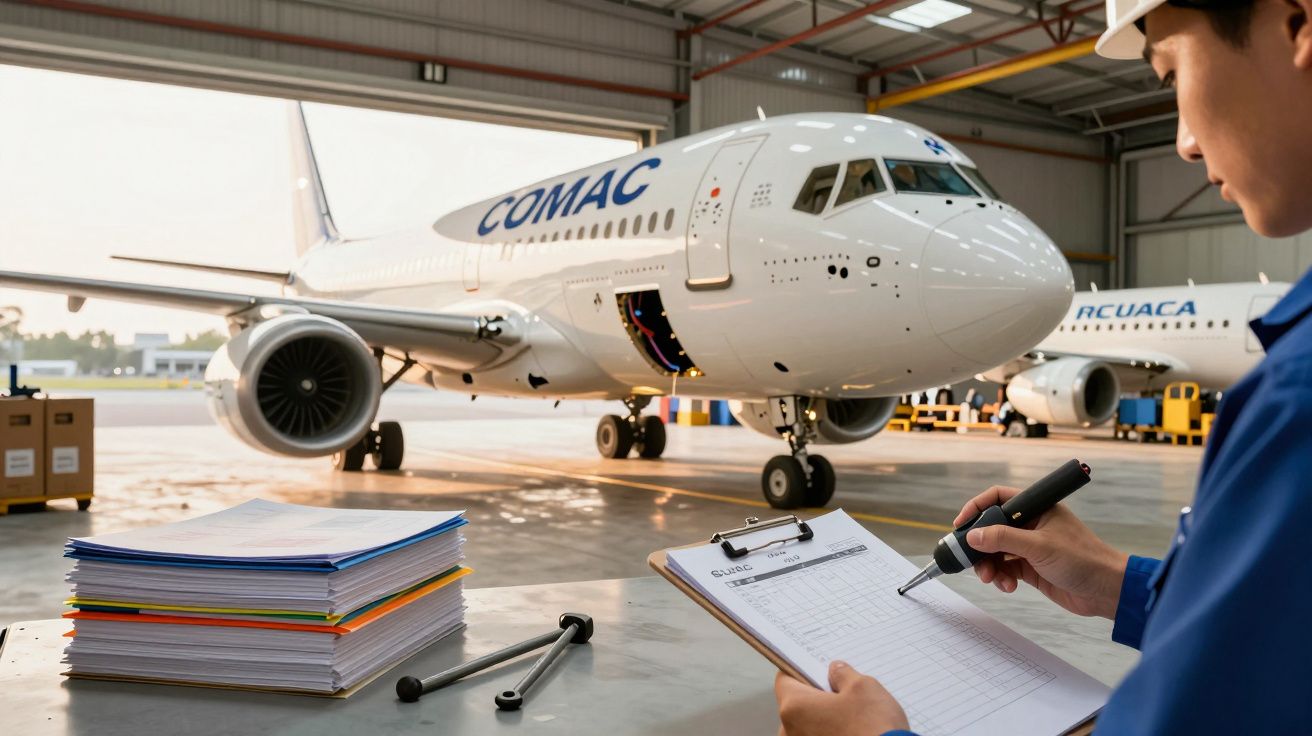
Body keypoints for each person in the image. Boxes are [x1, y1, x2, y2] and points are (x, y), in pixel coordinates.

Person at [775, 0, 1312, 733]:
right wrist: (1118, 583)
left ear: (1299, 24)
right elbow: (1279, 638)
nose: (1184, 142)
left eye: (1172, 71)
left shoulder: (1297, 398)